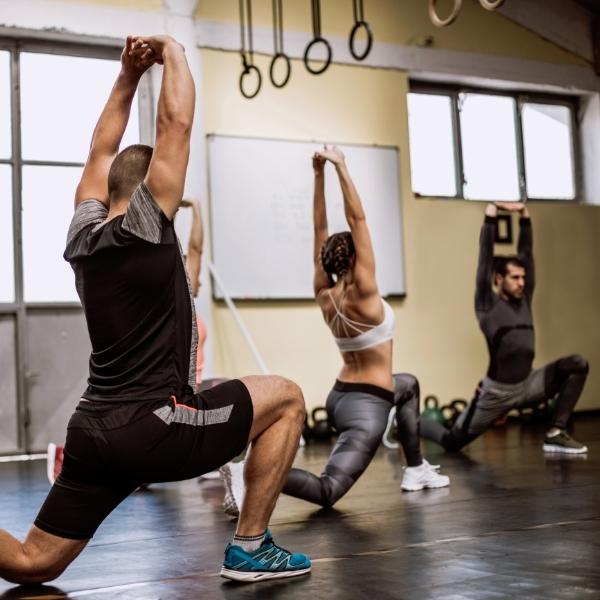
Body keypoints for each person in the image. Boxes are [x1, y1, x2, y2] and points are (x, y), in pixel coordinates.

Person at [0, 34, 310, 586]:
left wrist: (126, 76)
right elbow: (177, 128)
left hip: (93, 429)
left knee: (33, 562)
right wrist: (173, 52)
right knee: (285, 397)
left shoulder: (80, 237)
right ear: (148, 189)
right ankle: (249, 546)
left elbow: (99, 152)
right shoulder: (145, 228)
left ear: (107, 190)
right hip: (155, 426)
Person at [222, 146, 449, 514]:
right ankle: (245, 474)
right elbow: (357, 218)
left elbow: (319, 228)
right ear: (357, 259)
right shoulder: (365, 292)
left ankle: (416, 469)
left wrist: (317, 175)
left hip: (341, 396)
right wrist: (340, 166)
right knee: (328, 491)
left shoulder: (324, 293)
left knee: (406, 384)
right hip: (368, 406)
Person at [420, 202, 589, 454]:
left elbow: (527, 252)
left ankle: (556, 432)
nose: (522, 282)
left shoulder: (525, 297)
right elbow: (485, 258)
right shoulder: (487, 303)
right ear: (499, 279)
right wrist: (491, 214)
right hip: (496, 394)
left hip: (528, 385)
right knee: (452, 442)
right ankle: (409, 422)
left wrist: (524, 215)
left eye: (523, 277)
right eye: (515, 277)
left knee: (578, 363)